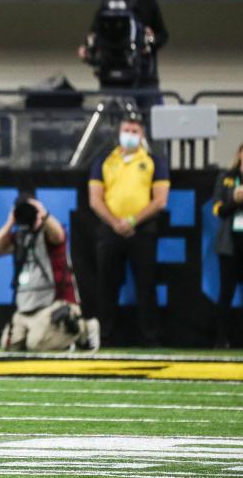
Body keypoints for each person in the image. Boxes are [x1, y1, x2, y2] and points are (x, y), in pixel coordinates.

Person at [89, 113, 169, 346]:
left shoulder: (154, 160)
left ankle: (150, 337)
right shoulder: (104, 160)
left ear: (142, 134)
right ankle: (106, 337)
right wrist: (115, 223)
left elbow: (160, 200)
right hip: (109, 230)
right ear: (119, 132)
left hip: (142, 231)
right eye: (127, 130)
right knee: (107, 286)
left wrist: (132, 221)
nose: (130, 135)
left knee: (146, 285)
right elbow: (95, 200)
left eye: (135, 131)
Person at [0, 192, 100, 352]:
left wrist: (43, 213)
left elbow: (59, 235)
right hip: (27, 305)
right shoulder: (20, 237)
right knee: (9, 346)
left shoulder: (48, 233)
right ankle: (59, 338)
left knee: (37, 345)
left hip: (55, 303)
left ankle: (83, 329)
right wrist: (10, 222)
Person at [77, 0, 168, 110]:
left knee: (154, 124)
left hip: (144, 78)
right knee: (111, 128)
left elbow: (162, 35)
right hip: (112, 77)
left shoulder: (147, 2)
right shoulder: (106, 3)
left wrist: (150, 42)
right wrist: (87, 49)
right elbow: (94, 34)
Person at [211, 141, 243, 347]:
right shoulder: (226, 179)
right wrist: (235, 201)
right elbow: (218, 211)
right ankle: (221, 338)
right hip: (230, 243)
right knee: (226, 291)